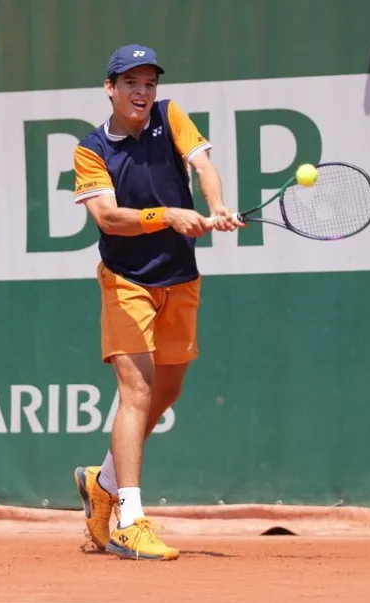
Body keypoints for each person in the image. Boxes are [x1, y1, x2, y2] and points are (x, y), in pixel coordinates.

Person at [71, 44, 243, 561]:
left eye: (149, 83)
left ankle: (101, 480)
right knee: (137, 392)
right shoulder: (91, 149)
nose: (142, 92)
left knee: (167, 392)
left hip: (179, 277)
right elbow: (107, 217)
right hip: (126, 280)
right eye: (131, 83)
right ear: (110, 88)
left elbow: (203, 165)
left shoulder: (171, 117)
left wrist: (216, 207)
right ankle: (129, 518)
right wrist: (167, 214)